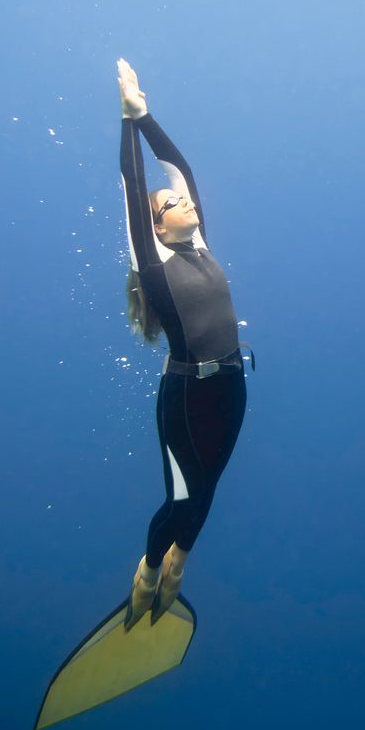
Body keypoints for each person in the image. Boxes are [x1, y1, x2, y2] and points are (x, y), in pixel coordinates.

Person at [117, 58, 249, 630]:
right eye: (171, 206)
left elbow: (179, 170)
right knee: (183, 496)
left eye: (184, 200)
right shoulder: (154, 262)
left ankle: (178, 563)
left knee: (209, 490)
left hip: (233, 385)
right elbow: (136, 182)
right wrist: (128, 123)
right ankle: (148, 569)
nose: (183, 202)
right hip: (185, 398)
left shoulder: (203, 245)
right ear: (155, 228)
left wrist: (148, 116)